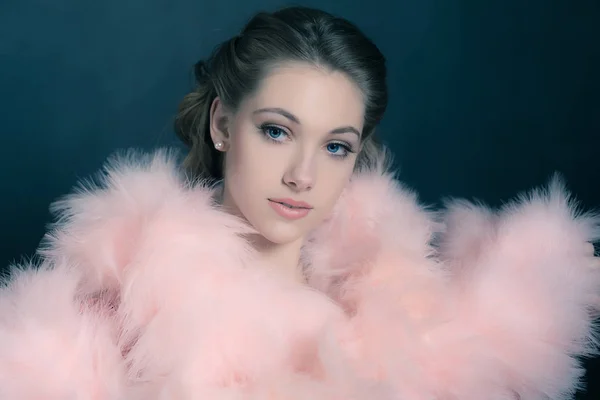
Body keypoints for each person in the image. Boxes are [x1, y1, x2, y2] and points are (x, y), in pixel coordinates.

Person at [1, 5, 598, 400]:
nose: (302, 175)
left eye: (336, 146)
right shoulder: (121, 307)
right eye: (278, 131)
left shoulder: (407, 322)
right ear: (222, 124)